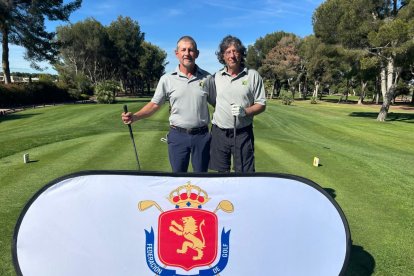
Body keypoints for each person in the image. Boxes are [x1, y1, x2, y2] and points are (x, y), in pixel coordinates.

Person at [121, 36, 215, 173]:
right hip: (178, 136)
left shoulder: (207, 78)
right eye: (183, 50)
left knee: (201, 181)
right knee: (177, 180)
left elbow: (218, 103)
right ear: (177, 53)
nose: (187, 53)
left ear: (197, 53)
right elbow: (154, 105)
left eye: (191, 50)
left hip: (201, 137)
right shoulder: (167, 79)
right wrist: (134, 117)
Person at [209, 35, 266, 173]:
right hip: (219, 133)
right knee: (221, 174)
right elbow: (213, 100)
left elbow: (261, 104)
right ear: (223, 56)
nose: (232, 55)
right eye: (228, 52)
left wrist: (245, 111)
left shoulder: (252, 75)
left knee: (244, 174)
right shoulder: (216, 77)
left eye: (235, 51)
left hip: (242, 133)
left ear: (241, 54)